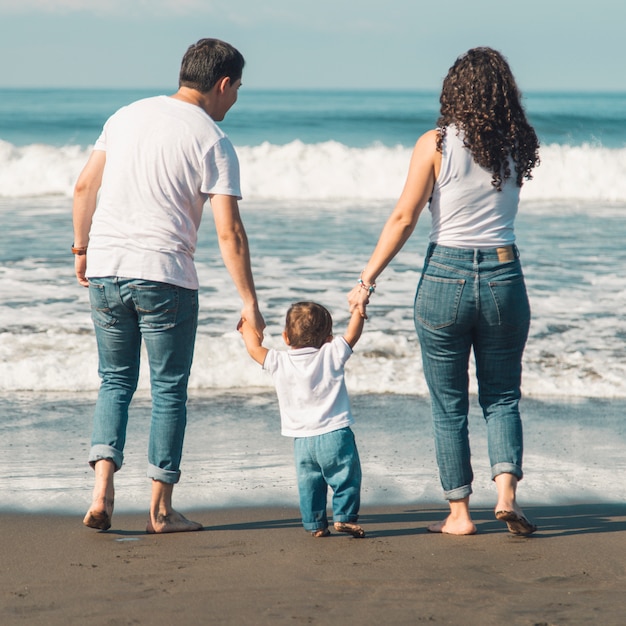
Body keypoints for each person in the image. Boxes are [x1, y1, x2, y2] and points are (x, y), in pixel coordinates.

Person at [72, 38, 265, 534]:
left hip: (107, 269)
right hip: (165, 277)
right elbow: (230, 232)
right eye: (238, 88)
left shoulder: (126, 115)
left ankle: (101, 492)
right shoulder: (213, 140)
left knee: (114, 380)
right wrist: (250, 302)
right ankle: (159, 510)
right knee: (168, 389)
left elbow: (84, 186)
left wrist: (82, 249)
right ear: (223, 83)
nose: (236, 99)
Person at [348, 47, 540, 536]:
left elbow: (404, 218)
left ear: (455, 90)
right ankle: (507, 497)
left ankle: (459, 514)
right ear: (505, 94)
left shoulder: (435, 143)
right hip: (503, 275)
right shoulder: (518, 144)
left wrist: (366, 280)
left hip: (444, 278)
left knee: (449, 403)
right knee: (502, 396)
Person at [239, 302, 366, 538]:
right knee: (346, 479)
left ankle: (316, 524)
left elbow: (254, 349)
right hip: (335, 434)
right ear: (328, 338)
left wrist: (247, 324)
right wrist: (360, 308)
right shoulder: (331, 352)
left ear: (286, 337)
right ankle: (344, 517)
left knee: (309, 484)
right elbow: (353, 333)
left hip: (302, 441)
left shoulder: (279, 361)